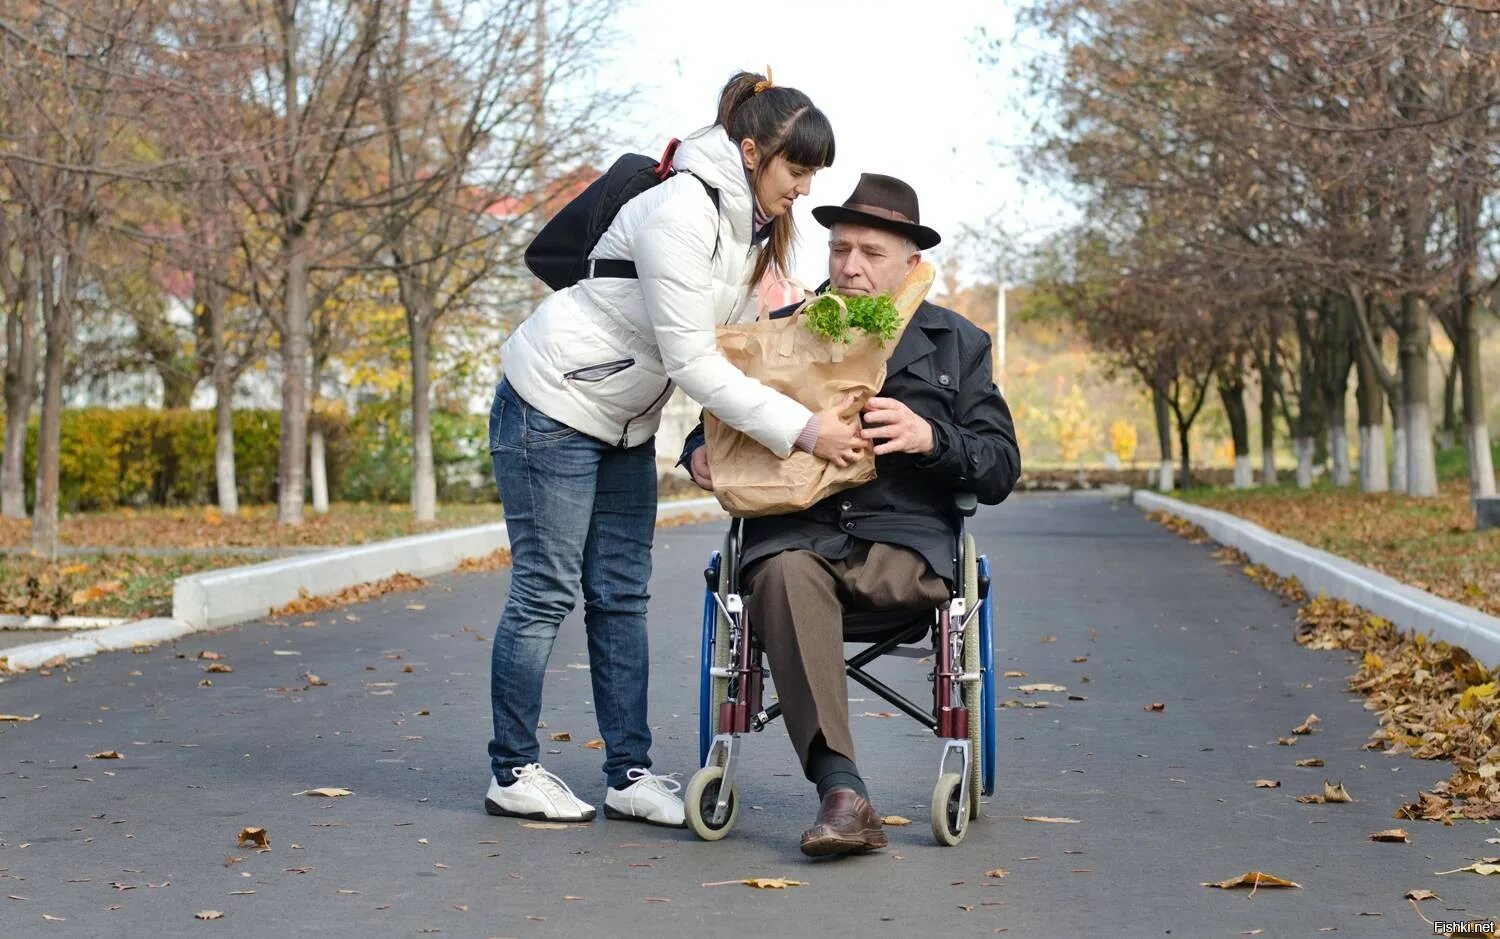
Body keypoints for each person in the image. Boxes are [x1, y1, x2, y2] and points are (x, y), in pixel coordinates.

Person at [484, 70, 867, 827]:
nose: (804, 187)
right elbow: (694, 363)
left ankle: (628, 772)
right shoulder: (682, 211)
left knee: (621, 596)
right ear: (752, 152)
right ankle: (513, 767)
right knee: (546, 590)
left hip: (623, 422)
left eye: (814, 173)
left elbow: (747, 340)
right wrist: (805, 429)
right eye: (797, 170)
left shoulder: (748, 227)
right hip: (552, 402)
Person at [680, 173, 1021, 855]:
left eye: (870, 252)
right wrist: (696, 455)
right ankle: (842, 790)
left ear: (911, 264)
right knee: (780, 573)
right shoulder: (784, 334)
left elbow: (1000, 464)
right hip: (796, 539)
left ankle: (847, 793)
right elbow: (716, 420)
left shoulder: (957, 343)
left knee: (803, 566)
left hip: (904, 547)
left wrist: (931, 437)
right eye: (840, 249)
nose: (851, 266)